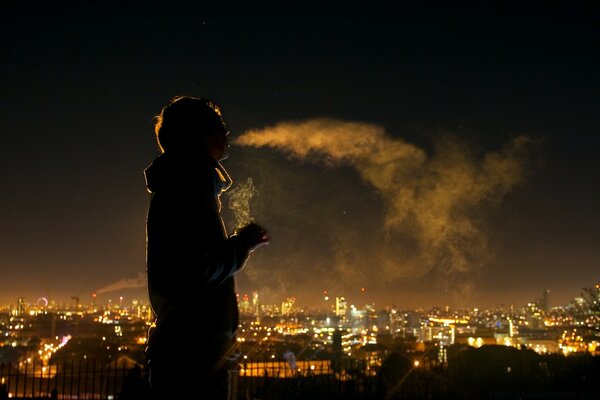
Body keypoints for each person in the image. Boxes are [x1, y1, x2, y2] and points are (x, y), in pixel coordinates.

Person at [144, 96, 269, 399]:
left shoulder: (180, 184)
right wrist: (243, 244)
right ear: (199, 134)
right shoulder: (188, 187)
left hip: (186, 355)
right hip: (193, 359)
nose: (227, 135)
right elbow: (196, 271)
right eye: (221, 127)